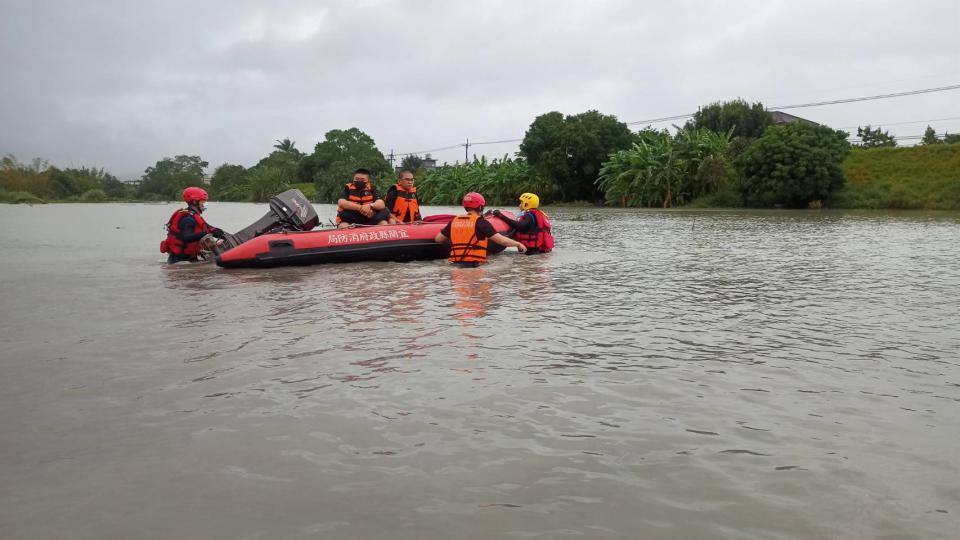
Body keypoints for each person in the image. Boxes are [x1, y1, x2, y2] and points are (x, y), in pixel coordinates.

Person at [435, 191, 526, 267]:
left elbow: (438, 239)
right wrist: (517, 244)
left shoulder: (454, 221)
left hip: (454, 264)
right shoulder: (481, 223)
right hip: (474, 266)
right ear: (480, 207)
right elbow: (502, 241)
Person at [161, 186, 226, 263]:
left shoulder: (193, 216)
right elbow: (186, 237)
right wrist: (208, 233)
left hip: (189, 258)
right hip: (179, 260)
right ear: (195, 202)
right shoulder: (188, 219)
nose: (205, 204)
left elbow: (207, 227)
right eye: (203, 201)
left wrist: (218, 232)